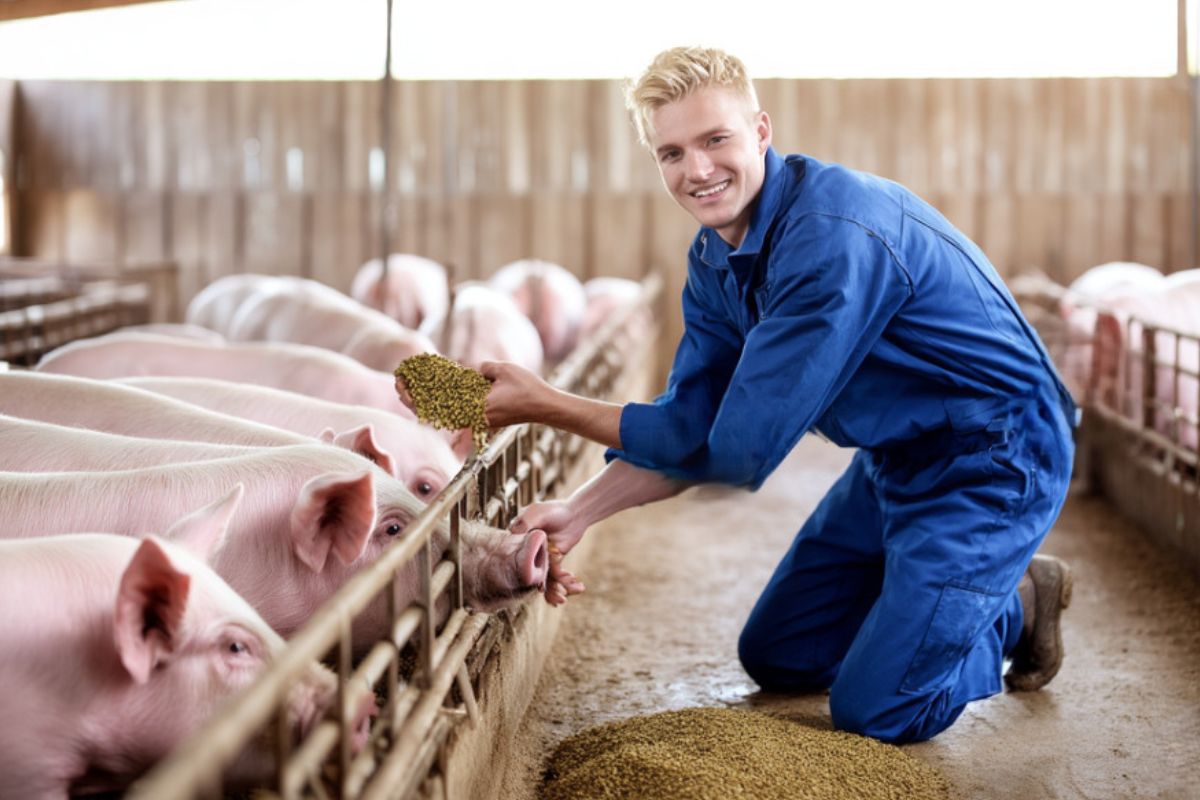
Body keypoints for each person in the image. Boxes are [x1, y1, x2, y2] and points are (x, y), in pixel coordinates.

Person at [478, 46, 1078, 744]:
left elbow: (737, 454)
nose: (696, 170)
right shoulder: (713, 263)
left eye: (715, 140)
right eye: (671, 153)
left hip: (995, 455)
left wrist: (543, 401)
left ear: (761, 131)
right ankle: (930, 599)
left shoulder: (828, 239)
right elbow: (690, 425)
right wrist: (580, 513)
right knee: (780, 655)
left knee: (878, 710)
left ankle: (1014, 603)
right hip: (896, 457)